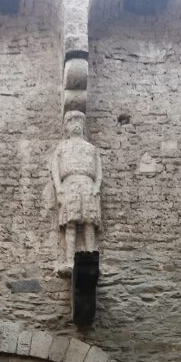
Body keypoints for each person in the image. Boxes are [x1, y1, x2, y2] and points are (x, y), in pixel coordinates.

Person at [50, 110, 102, 274]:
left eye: (79, 121)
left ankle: (90, 258)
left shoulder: (91, 148)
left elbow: (99, 170)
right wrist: (58, 189)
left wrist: (97, 186)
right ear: (66, 126)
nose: (76, 124)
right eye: (71, 121)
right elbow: (55, 169)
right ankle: (69, 260)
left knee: (88, 222)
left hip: (87, 184)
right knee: (70, 223)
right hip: (69, 185)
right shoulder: (62, 148)